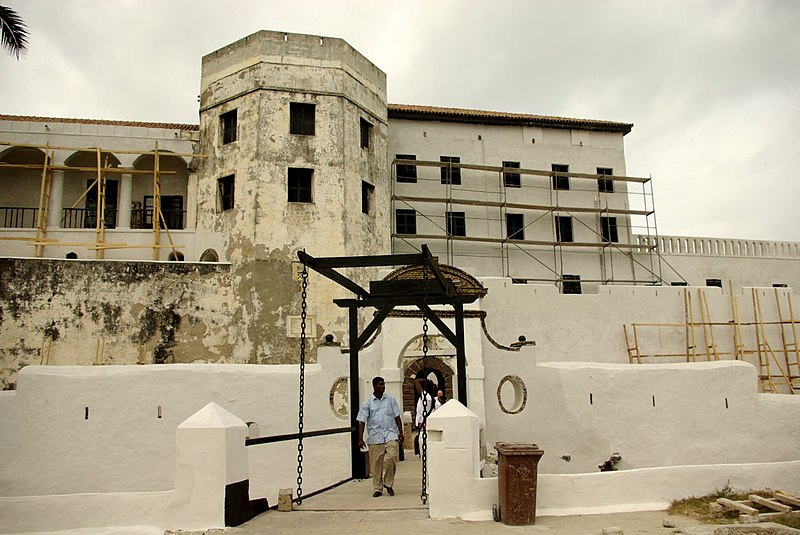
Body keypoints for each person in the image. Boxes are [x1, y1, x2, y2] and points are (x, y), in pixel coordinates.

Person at [357, 376, 404, 497]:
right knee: (376, 464)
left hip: (390, 434)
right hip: (375, 436)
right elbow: (361, 421)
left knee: (391, 457)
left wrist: (401, 432)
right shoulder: (367, 403)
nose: (383, 386)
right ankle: (377, 488)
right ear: (374, 386)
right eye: (380, 385)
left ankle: (388, 483)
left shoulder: (391, 400)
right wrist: (360, 438)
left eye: (384, 384)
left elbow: (397, 416)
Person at [413, 378, 441, 456]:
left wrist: (426, 380)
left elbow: (416, 381)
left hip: (424, 431)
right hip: (430, 430)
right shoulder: (436, 402)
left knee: (425, 457)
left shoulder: (426, 398)